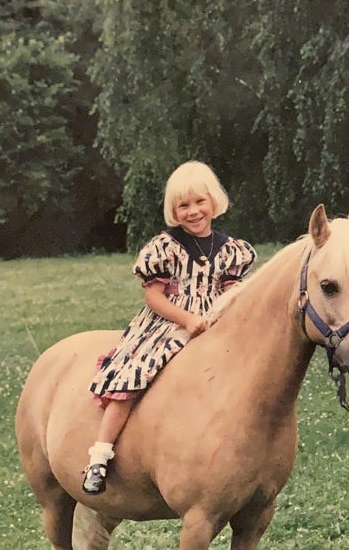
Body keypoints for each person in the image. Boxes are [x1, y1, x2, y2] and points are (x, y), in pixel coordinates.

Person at [81, 160, 257, 495]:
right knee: (135, 375)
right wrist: (188, 319)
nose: (193, 211)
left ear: (213, 201)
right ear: (173, 210)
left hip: (215, 321)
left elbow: (231, 289)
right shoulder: (165, 247)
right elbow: (154, 297)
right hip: (169, 322)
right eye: (183, 205)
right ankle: (100, 455)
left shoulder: (229, 249)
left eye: (199, 202)